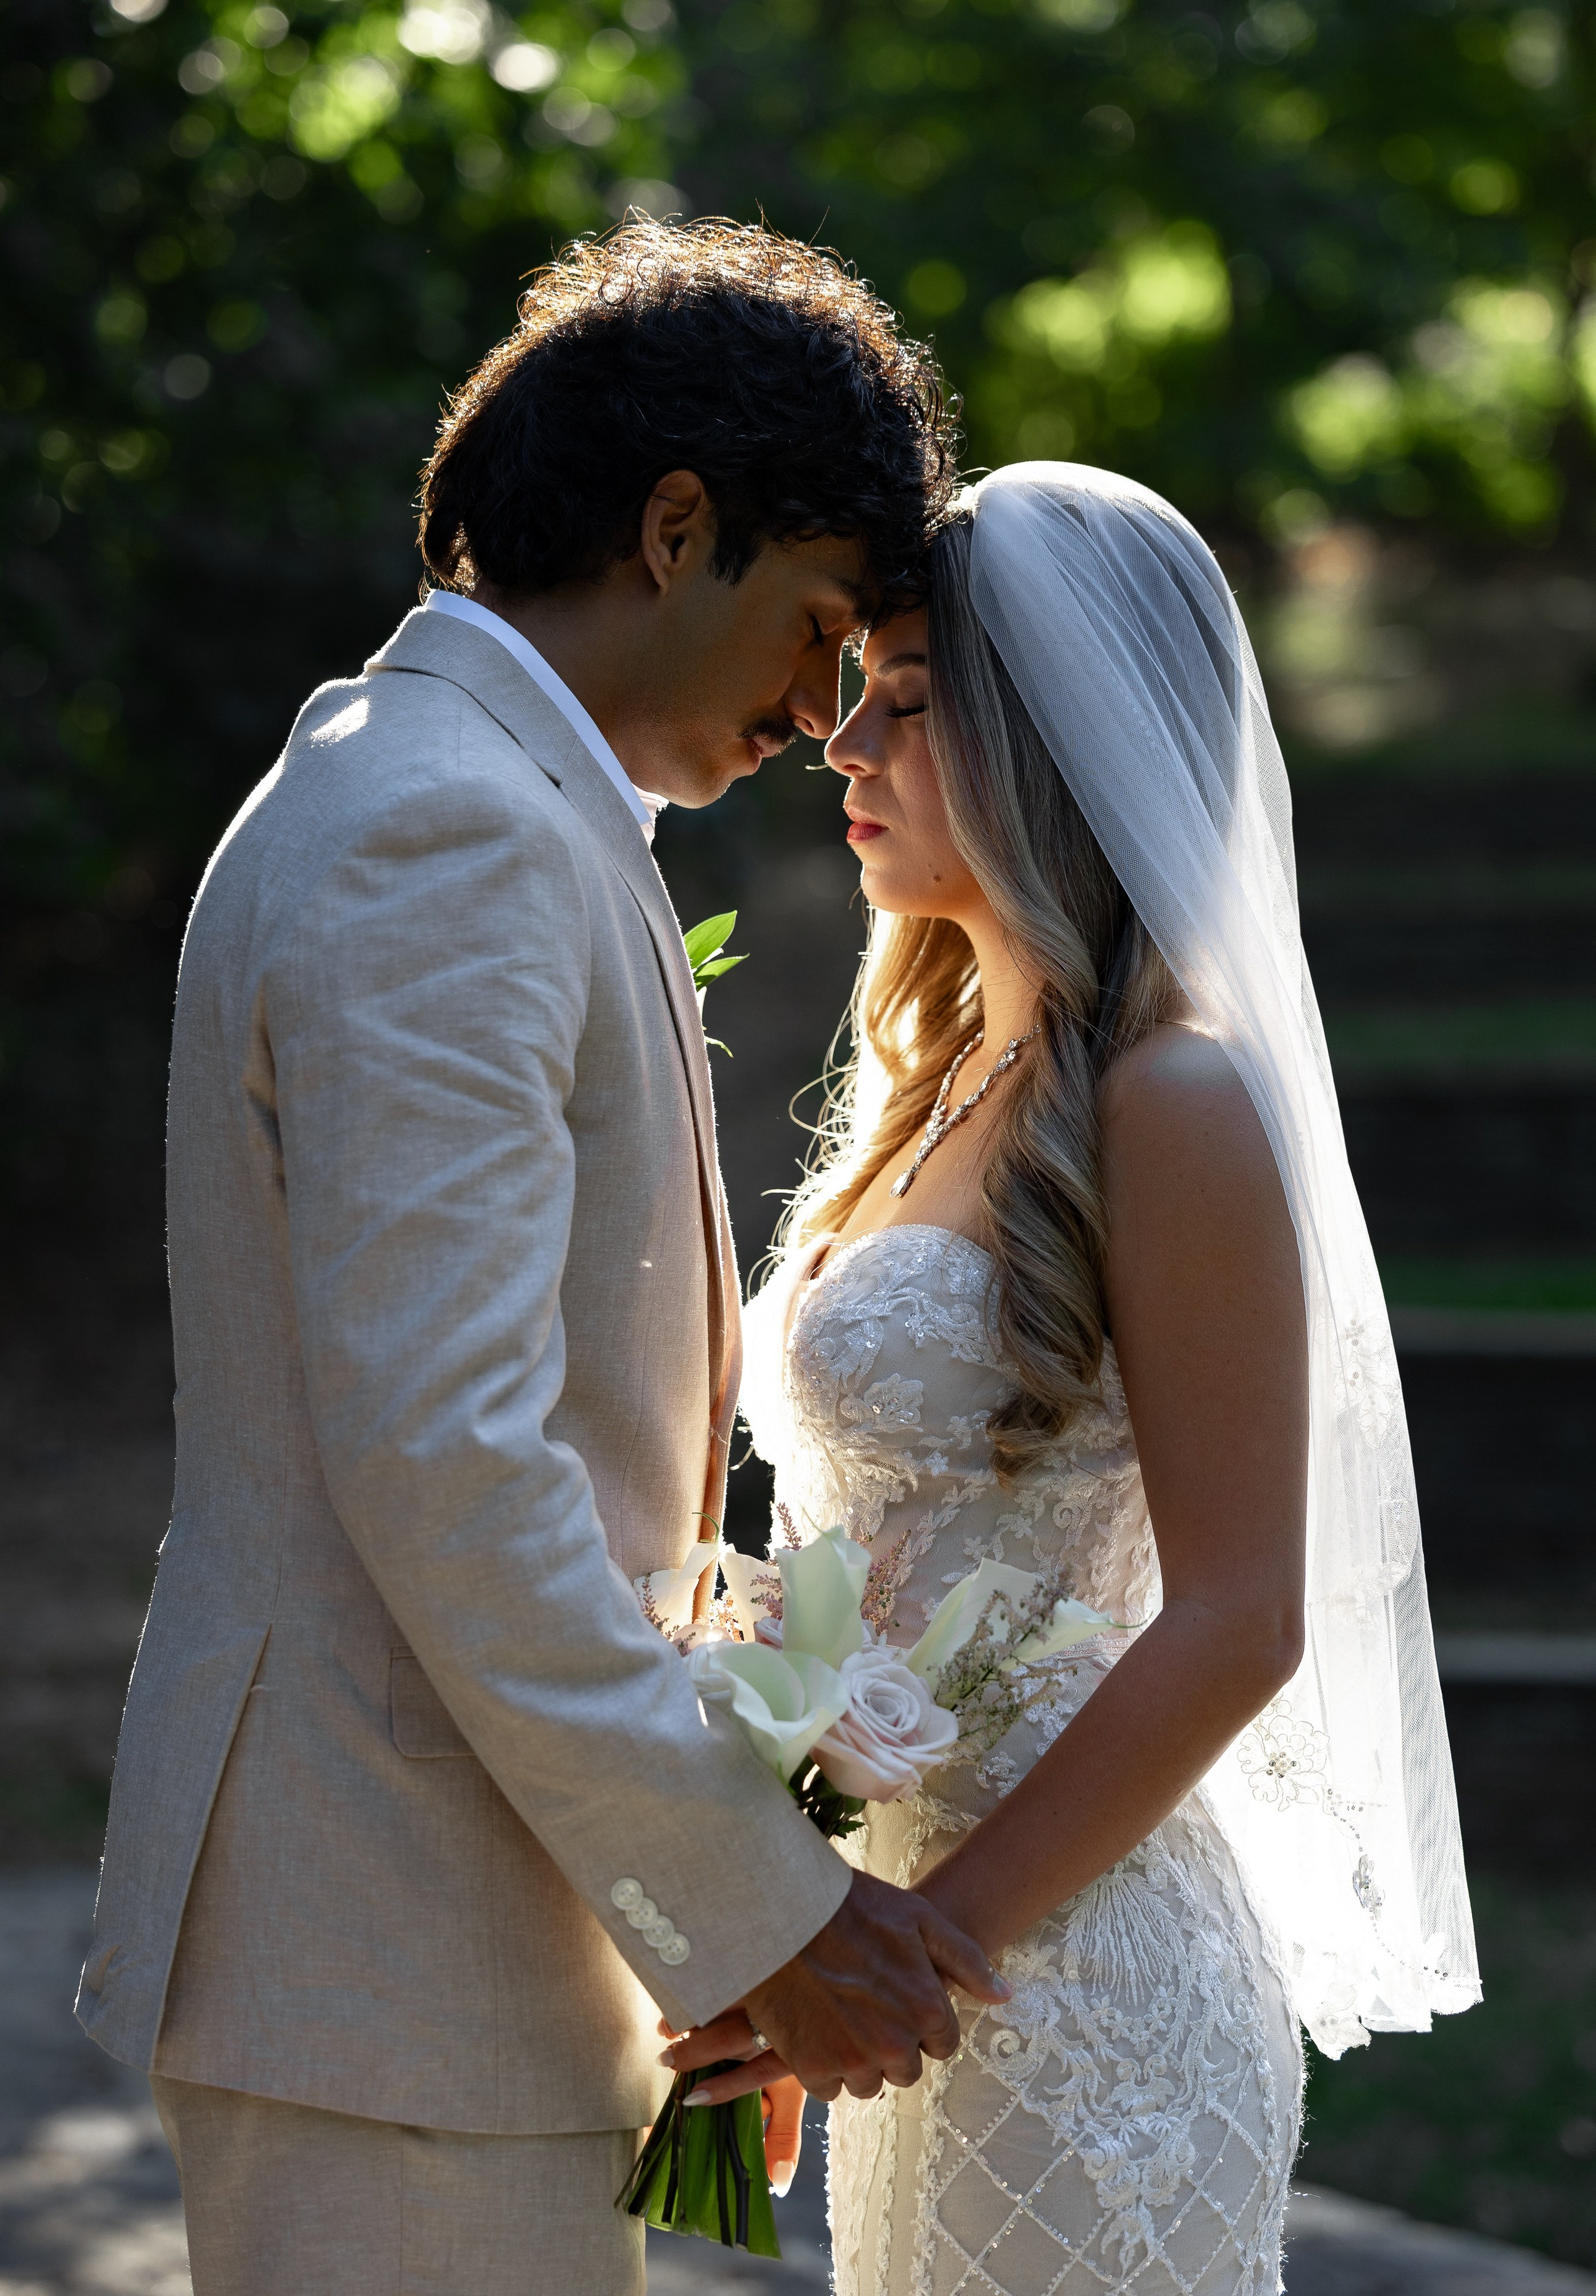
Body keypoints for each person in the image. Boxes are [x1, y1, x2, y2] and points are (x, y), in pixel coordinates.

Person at [73, 218, 1009, 2296]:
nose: (823, 697)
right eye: (819, 618)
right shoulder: (458, 833)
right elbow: (455, 1460)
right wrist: (765, 1902)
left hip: (427, 1953)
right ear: (677, 529)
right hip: (389, 1957)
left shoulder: (437, 785)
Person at [665, 463, 1479, 2294]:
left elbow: (1242, 1616)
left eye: (910, 700)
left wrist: (912, 1954)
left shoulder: (1171, 1100)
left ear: (1054, 742)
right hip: (914, 1956)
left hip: (1077, 1976)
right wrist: (797, 1906)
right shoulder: (937, 1087)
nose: (839, 741)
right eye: (853, 686)